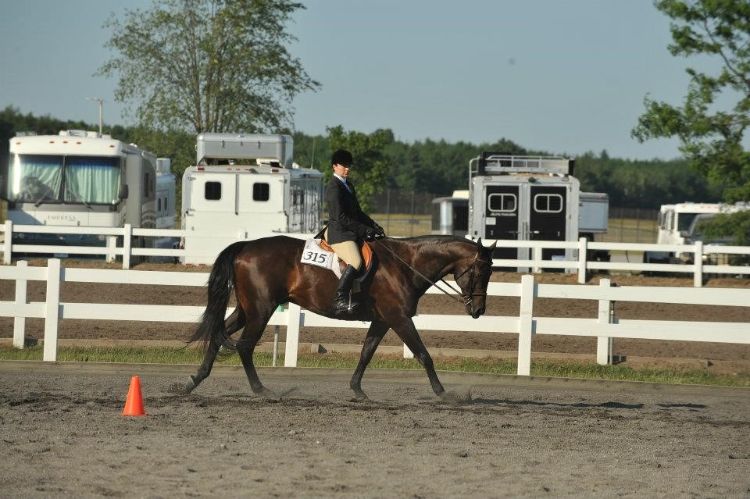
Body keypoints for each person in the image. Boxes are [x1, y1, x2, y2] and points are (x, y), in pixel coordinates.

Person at [325, 149, 385, 315]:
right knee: (356, 261)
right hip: (340, 234)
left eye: (348, 165)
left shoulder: (348, 185)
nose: (347, 168)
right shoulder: (333, 187)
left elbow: (357, 212)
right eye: (344, 165)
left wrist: (373, 225)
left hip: (350, 231)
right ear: (334, 166)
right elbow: (341, 217)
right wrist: (364, 230)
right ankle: (340, 299)